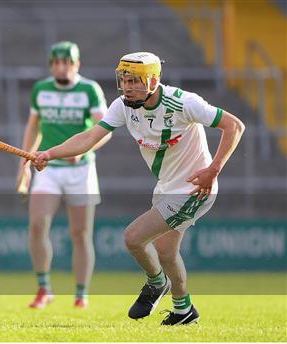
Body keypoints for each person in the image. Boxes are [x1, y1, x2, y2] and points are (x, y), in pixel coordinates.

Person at [33, 52, 245, 324]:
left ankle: (156, 283)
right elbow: (89, 137)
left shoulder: (183, 102)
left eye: (135, 81)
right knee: (167, 252)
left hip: (193, 189)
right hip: (167, 187)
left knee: (133, 237)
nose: (128, 87)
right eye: (124, 80)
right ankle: (184, 310)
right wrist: (50, 154)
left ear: (154, 81)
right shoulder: (123, 106)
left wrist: (213, 170)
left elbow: (234, 126)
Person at [16, 41, 111, 309]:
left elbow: (105, 130)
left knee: (80, 233)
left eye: (67, 62)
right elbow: (33, 128)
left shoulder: (89, 90)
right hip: (49, 169)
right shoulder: (42, 89)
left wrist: (83, 149)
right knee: (37, 225)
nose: (62, 67)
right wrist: (24, 162)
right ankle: (44, 288)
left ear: (77, 64)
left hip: (81, 170)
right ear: (51, 65)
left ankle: (81, 293)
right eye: (57, 62)